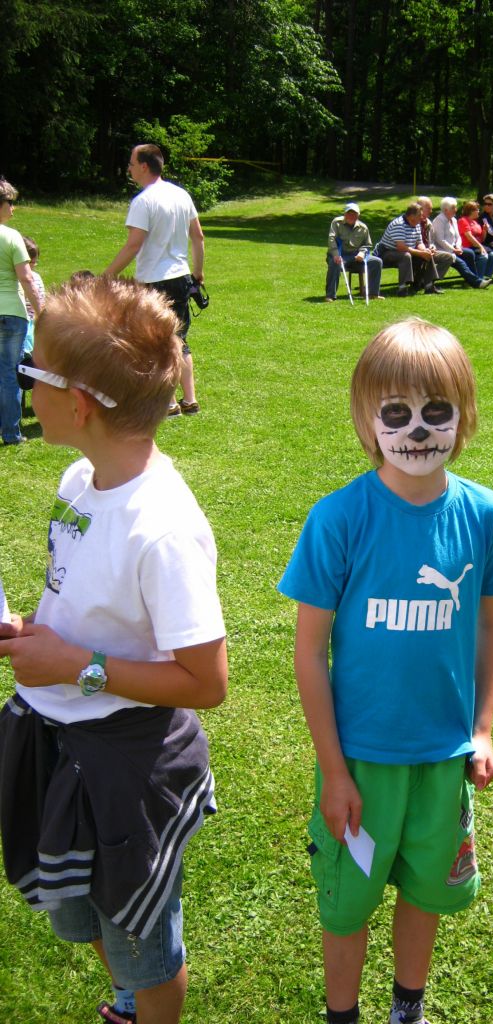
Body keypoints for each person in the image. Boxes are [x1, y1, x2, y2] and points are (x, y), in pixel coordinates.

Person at [278, 317, 493, 1024]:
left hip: (444, 759)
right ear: (367, 420)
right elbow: (309, 651)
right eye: (396, 413)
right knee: (348, 905)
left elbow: (489, 624)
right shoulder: (338, 519)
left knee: (426, 891)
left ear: (464, 415)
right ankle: (343, 1015)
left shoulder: (485, 516)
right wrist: (333, 771)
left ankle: (407, 1008)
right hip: (361, 764)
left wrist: (483, 728)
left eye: (435, 411)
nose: (417, 430)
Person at [0, 276, 228, 1024]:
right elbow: (82, 598)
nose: (23, 384)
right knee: (84, 910)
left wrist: (78, 668)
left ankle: (143, 1002)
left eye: (30, 372)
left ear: (80, 404)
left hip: (124, 760)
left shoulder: (162, 528)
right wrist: (33, 632)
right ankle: (131, 1003)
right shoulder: (80, 478)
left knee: (141, 942)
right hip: (57, 737)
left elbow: (206, 682)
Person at [104, 143, 205, 416]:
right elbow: (198, 236)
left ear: (144, 166)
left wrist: (107, 276)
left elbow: (133, 245)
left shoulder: (143, 201)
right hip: (181, 276)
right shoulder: (181, 195)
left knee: (157, 343)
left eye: (131, 163)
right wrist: (198, 272)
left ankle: (169, 403)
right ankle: (190, 400)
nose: (129, 168)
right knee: (179, 338)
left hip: (153, 281)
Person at [0, 179, 42, 445]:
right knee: (8, 373)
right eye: (10, 203)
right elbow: (26, 278)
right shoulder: (11, 236)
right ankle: (11, 433)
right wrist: (41, 312)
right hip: (11, 313)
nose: (13, 208)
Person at [373, 203, 440, 297]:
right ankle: (402, 288)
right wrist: (421, 253)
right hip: (386, 253)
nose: (422, 217)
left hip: (405, 251)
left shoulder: (416, 224)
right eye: (420, 215)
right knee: (406, 256)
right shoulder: (399, 224)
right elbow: (401, 247)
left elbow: (419, 242)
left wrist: (425, 250)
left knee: (428, 254)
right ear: (412, 216)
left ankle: (429, 286)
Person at [325, 203, 384, 302]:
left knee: (377, 262)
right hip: (340, 254)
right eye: (349, 213)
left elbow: (367, 245)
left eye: (354, 214)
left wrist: (362, 253)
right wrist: (336, 255)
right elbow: (332, 239)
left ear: (358, 215)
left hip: (356, 255)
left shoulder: (363, 228)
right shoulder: (336, 222)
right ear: (345, 214)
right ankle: (330, 295)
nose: (351, 216)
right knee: (335, 263)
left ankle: (373, 294)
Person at [430, 197, 491, 289]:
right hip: (444, 250)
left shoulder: (454, 220)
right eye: (453, 208)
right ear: (446, 210)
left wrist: (458, 246)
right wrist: (453, 249)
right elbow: (440, 240)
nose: (456, 209)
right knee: (460, 262)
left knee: (469, 253)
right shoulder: (439, 220)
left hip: (455, 248)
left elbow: (458, 237)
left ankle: (472, 279)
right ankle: (477, 282)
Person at [457, 201, 493, 282]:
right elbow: (469, 236)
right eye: (477, 210)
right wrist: (480, 247)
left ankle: (486, 277)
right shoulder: (463, 221)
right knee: (483, 257)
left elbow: (482, 239)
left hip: (477, 247)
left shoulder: (475, 222)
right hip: (468, 247)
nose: (479, 211)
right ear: (471, 211)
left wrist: (484, 230)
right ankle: (478, 279)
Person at [21, 235, 46, 355]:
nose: (34, 265)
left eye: (36, 262)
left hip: (30, 325)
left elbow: (41, 301)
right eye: (31, 262)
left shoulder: (36, 278)